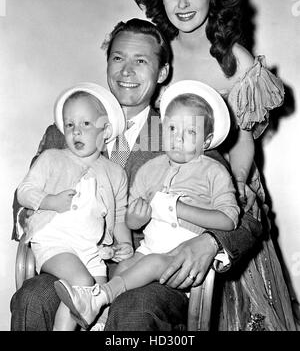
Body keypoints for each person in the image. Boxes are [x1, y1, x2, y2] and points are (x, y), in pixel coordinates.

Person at [11, 18, 263, 331]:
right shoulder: (65, 130)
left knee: (134, 310)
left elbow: (249, 219)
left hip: (151, 273)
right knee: (32, 297)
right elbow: (23, 207)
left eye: (140, 61)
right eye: (118, 58)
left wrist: (210, 242)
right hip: (72, 261)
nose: (126, 71)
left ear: (162, 72)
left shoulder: (183, 131)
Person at [131, 0, 297, 330]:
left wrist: (236, 188)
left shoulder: (233, 57)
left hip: (224, 181)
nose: (183, 3)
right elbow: (155, 130)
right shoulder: (162, 53)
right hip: (174, 180)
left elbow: (243, 139)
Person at [54, 81, 240, 330]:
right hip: (148, 248)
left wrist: (178, 209)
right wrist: (137, 219)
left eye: (190, 132)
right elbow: (129, 220)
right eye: (172, 128)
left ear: (206, 141)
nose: (179, 138)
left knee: (151, 263)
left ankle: (100, 299)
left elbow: (230, 219)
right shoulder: (150, 169)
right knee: (124, 267)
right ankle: (101, 317)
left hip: (180, 259)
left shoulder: (213, 171)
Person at [16, 83, 133, 330]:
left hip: (92, 252)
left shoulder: (115, 173)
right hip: (55, 242)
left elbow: (120, 219)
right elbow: (24, 192)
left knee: (100, 307)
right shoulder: (52, 158)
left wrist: (125, 246)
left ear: (106, 130)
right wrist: (51, 202)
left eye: (85, 124)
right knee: (81, 282)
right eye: (70, 125)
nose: (76, 132)